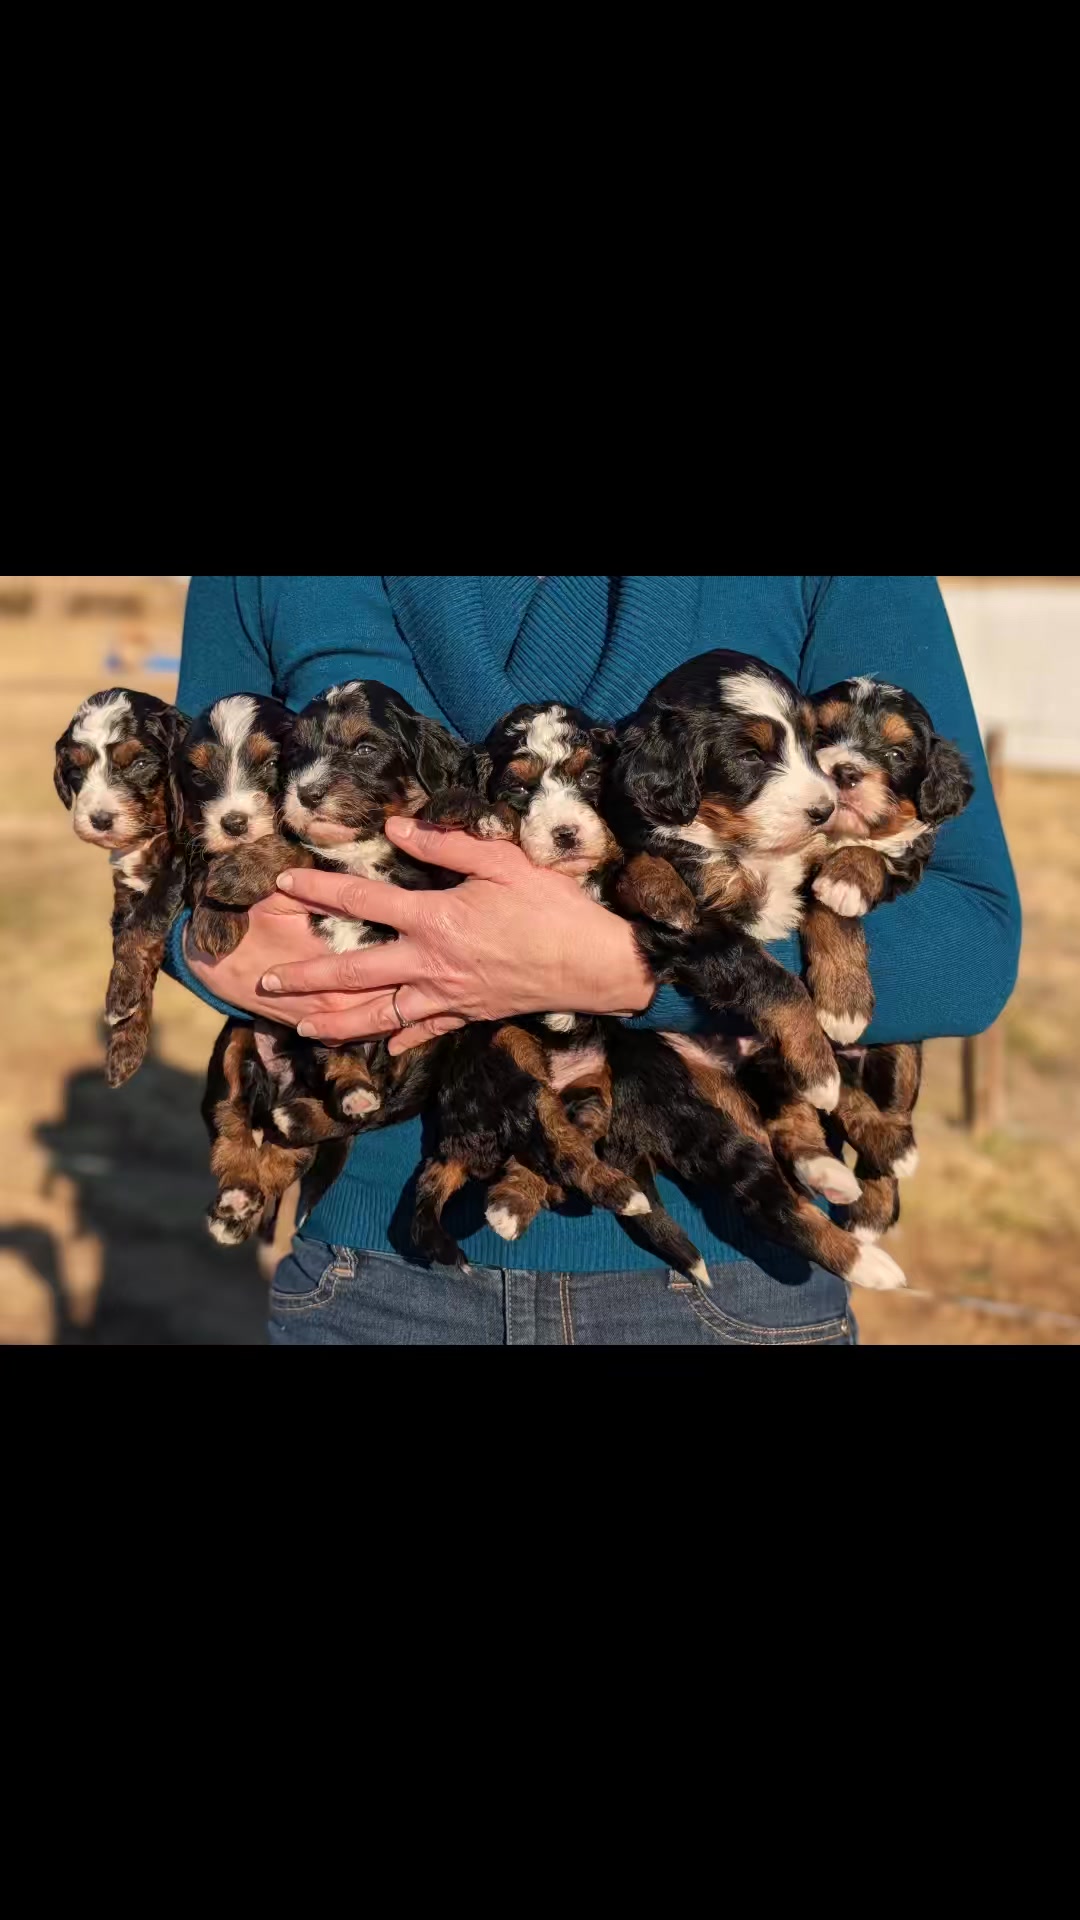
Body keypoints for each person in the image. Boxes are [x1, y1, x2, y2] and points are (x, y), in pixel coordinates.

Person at [166, 577, 1021, 1346]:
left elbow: (974, 943)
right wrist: (227, 952)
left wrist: (619, 967)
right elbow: (175, 840)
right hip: (375, 1261)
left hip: (733, 1268)